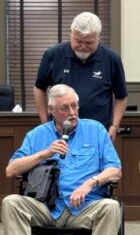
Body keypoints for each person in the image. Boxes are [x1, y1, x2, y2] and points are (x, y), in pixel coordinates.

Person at [1, 84, 122, 234]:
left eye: (75, 106)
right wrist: (45, 153)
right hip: (45, 207)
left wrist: (90, 183)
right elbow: (11, 171)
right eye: (65, 108)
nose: (72, 112)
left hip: (85, 207)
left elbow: (115, 170)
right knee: (11, 203)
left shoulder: (95, 130)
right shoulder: (37, 134)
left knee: (111, 207)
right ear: (51, 110)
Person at [34, 12, 128, 142]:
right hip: (60, 132)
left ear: (98, 38)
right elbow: (39, 88)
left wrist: (114, 126)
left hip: (98, 134)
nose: (83, 47)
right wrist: (45, 123)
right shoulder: (53, 55)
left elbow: (121, 96)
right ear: (71, 34)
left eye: (89, 43)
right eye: (78, 41)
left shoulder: (112, 59)